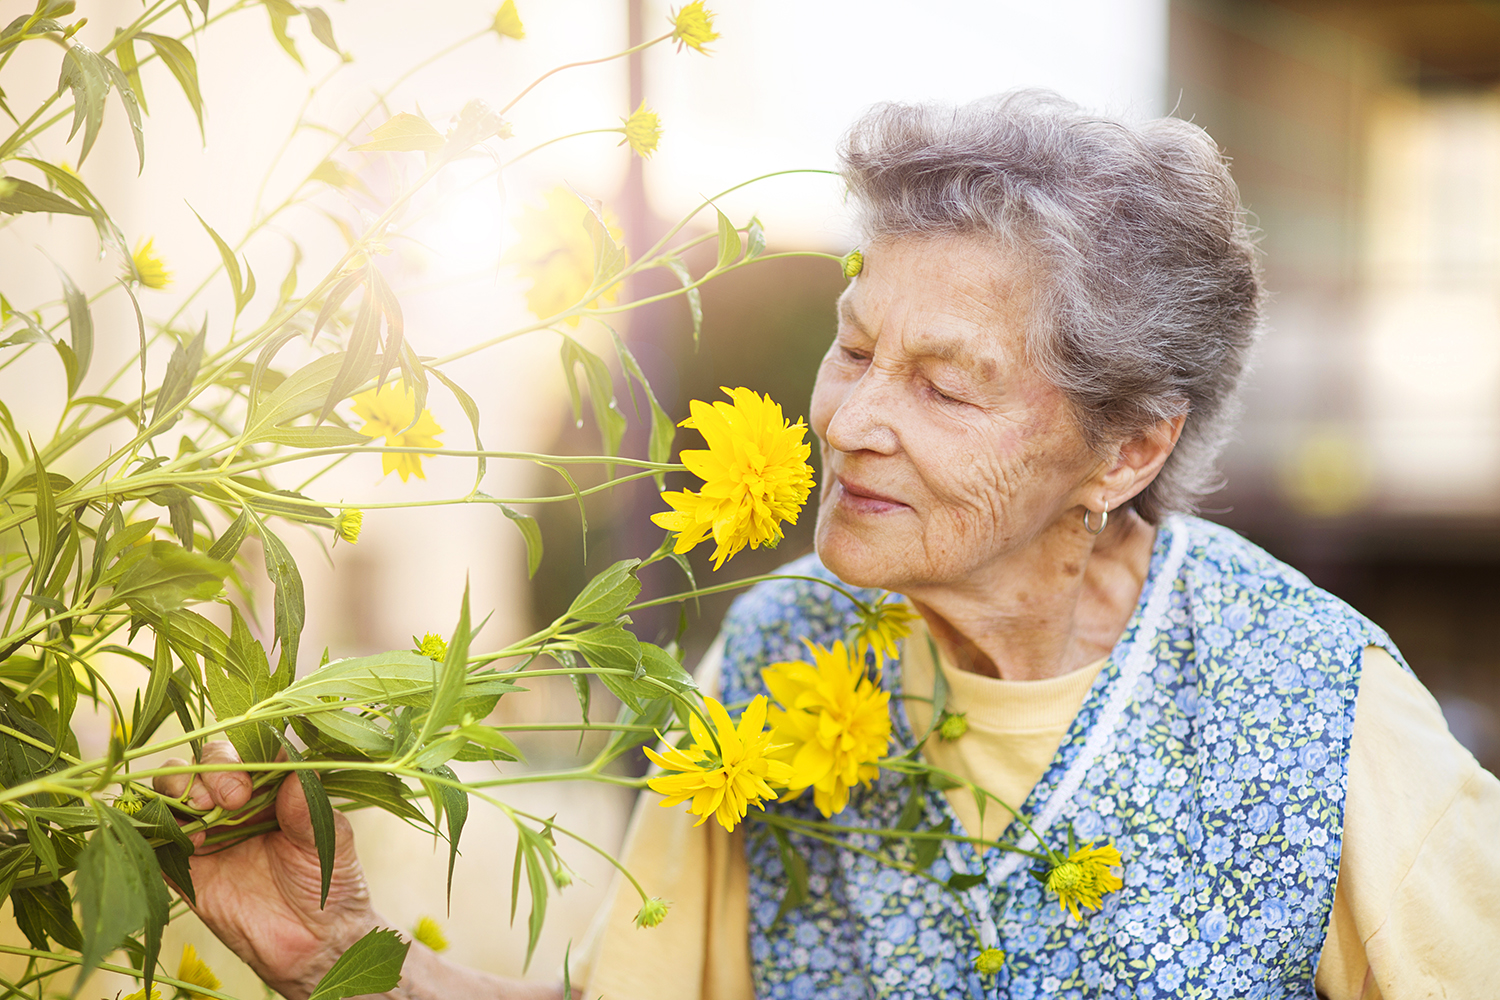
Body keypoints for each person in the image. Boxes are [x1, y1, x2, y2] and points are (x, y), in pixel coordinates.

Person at [158, 92, 1500, 1000]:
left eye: (945, 384)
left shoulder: (1315, 705)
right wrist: (338, 955)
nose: (850, 418)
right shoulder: (771, 651)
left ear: (1128, 449)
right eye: (854, 346)